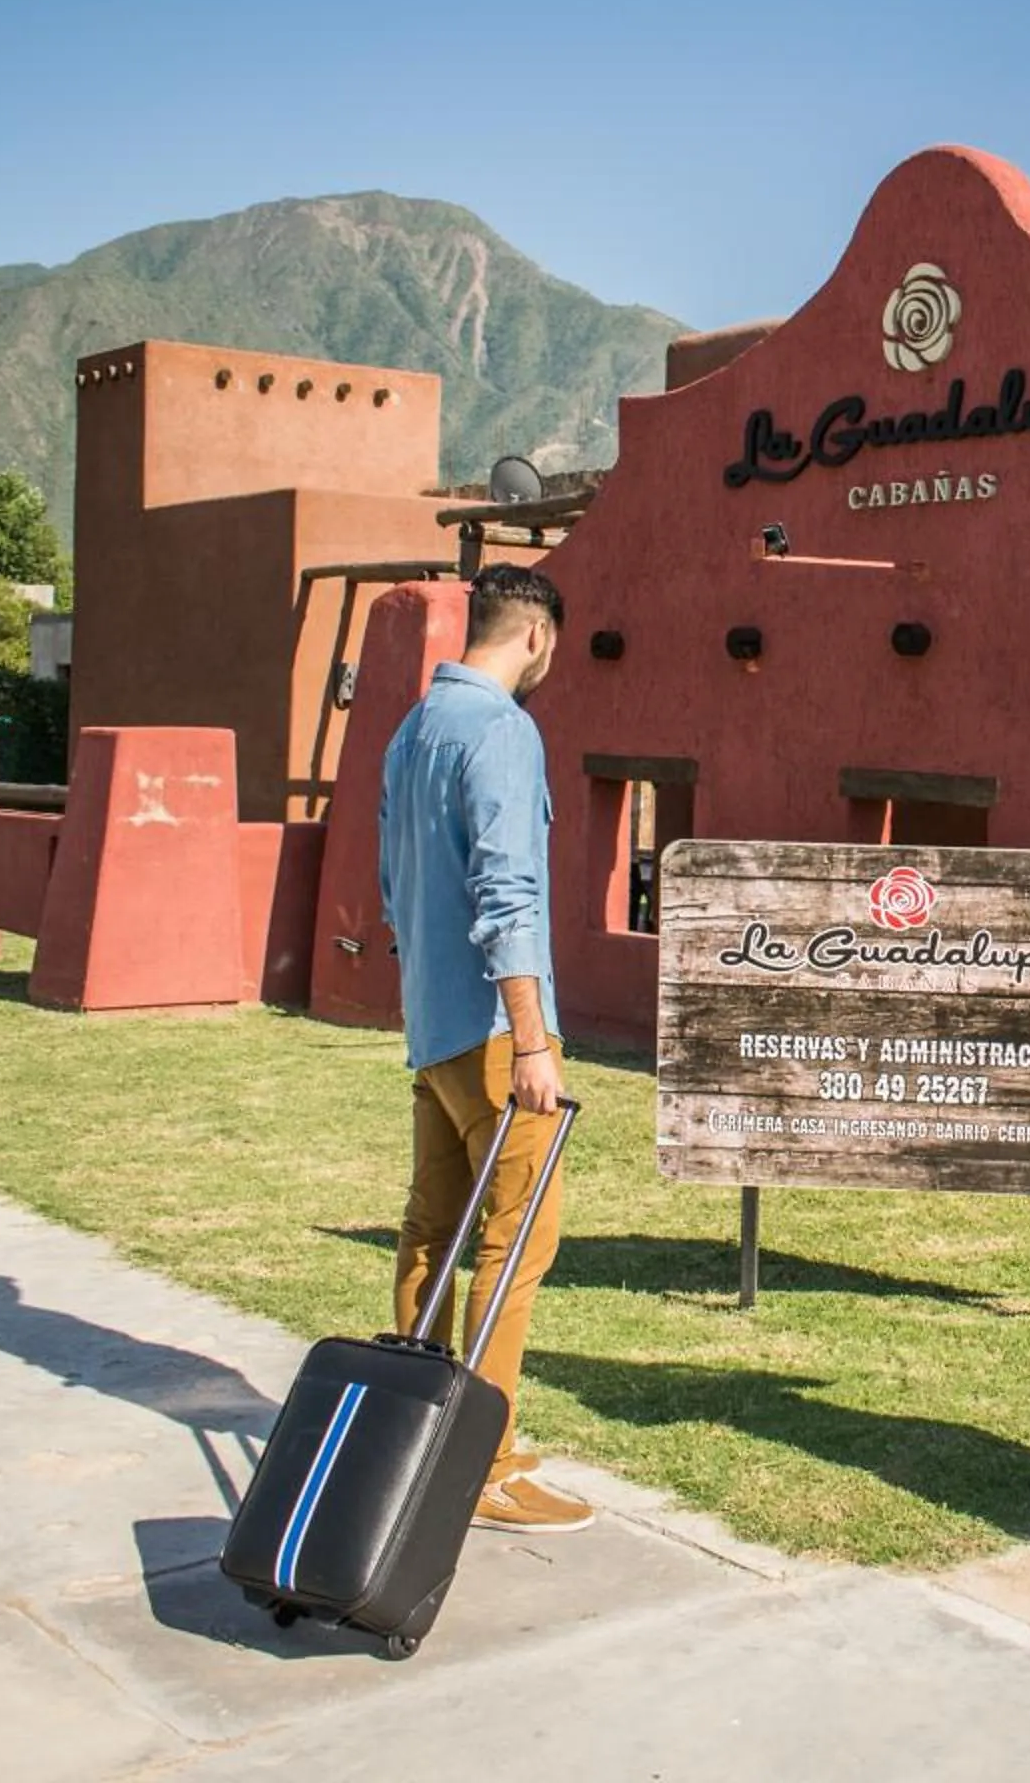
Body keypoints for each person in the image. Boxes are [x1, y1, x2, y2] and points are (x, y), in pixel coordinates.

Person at [377, 561, 593, 1535]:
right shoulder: (502, 730)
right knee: (515, 1246)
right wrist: (534, 1038)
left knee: (432, 1231)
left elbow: (393, 882)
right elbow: (508, 894)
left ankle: (411, 1429)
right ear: (538, 634)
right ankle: (486, 1464)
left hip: (431, 1025)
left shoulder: (414, 727)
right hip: (499, 1034)